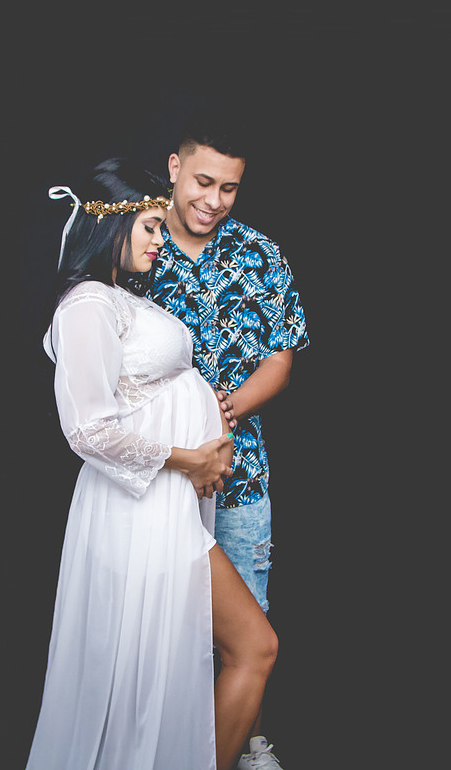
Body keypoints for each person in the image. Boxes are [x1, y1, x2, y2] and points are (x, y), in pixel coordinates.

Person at [26, 158, 278, 770]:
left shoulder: (119, 298)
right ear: (109, 226)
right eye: (149, 227)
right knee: (247, 647)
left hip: (166, 514)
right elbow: (87, 428)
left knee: (196, 665)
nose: (160, 240)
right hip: (139, 516)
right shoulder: (87, 304)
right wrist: (192, 458)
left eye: (161, 228)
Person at [138, 106, 309, 770]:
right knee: (158, 623)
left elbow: (281, 358)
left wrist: (223, 412)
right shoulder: (137, 242)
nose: (213, 200)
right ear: (174, 168)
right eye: (203, 182)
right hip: (157, 476)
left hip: (242, 474)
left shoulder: (260, 252)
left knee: (249, 621)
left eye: (229, 188)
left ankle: (249, 749)